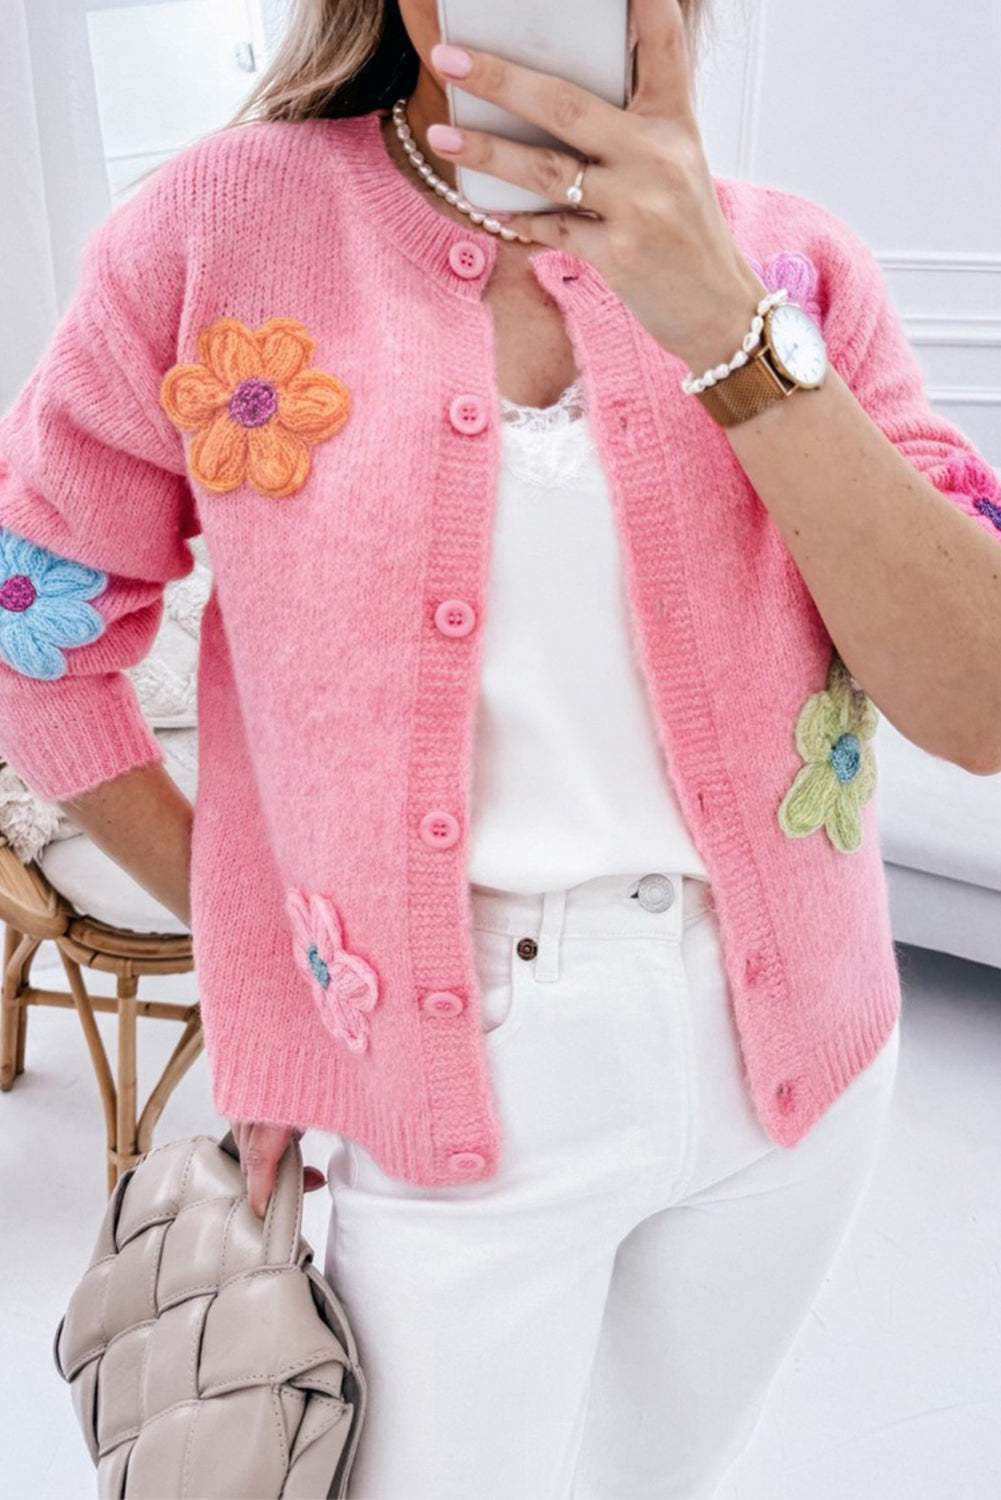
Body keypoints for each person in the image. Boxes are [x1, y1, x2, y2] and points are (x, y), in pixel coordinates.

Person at [2, 0, 1000, 1495]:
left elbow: (976, 706)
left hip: (796, 1063)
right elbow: (37, 632)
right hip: (442, 1074)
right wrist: (272, 962)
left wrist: (725, 324)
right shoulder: (220, 228)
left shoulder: (791, 263)